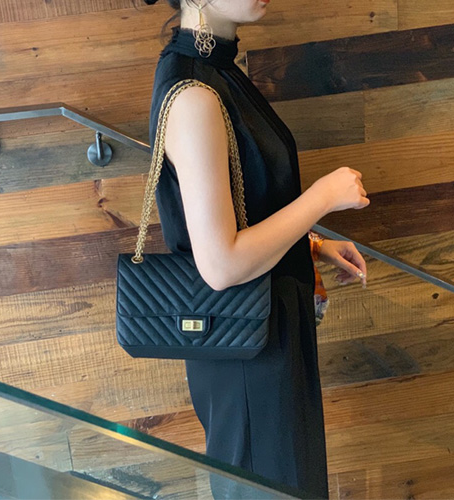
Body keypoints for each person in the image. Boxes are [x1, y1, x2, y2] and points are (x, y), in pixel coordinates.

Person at [142, 0, 370, 498]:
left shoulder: (216, 71)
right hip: (248, 353)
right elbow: (220, 264)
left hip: (261, 337)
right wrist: (322, 197)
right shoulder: (194, 94)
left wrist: (311, 244)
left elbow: (238, 212)